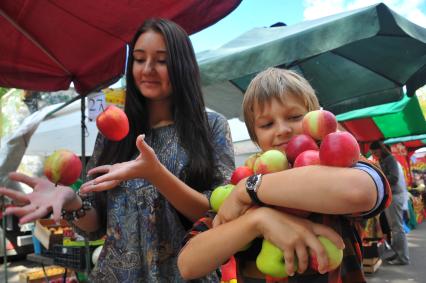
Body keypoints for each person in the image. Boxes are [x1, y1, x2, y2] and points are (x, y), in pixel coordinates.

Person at [0, 18, 235, 282]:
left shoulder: (212, 126)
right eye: (138, 58)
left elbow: (222, 213)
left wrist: (156, 174)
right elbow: (96, 224)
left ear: (182, 65)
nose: (147, 69)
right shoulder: (113, 131)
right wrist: (71, 200)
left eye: (161, 60)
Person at [178, 68, 391, 282]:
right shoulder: (241, 183)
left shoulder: (337, 163)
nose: (282, 130)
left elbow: (360, 191)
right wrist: (257, 220)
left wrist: (251, 188)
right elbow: (188, 264)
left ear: (314, 118)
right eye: (267, 124)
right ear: (255, 136)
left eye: (295, 117)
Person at [370, 141, 410, 265]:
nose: (375, 155)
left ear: (381, 149)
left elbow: (394, 178)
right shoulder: (384, 160)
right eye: (373, 153)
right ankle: (398, 254)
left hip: (395, 196)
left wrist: (379, 175)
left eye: (375, 152)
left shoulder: (390, 159)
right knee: (394, 228)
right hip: (392, 196)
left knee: (397, 228)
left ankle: (403, 257)